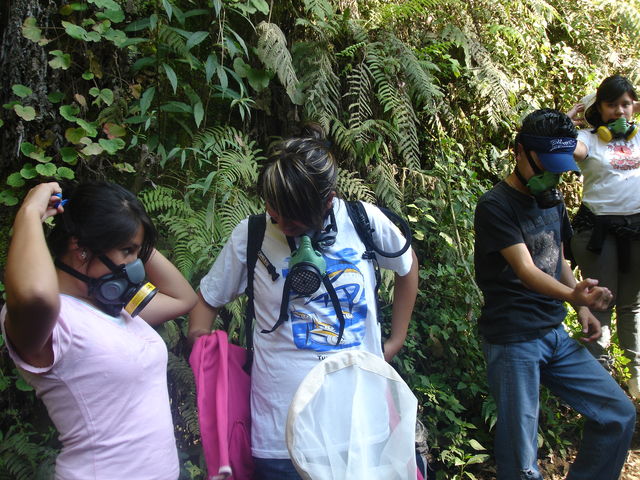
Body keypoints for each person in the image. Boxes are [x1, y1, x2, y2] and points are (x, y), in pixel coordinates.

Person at [188, 124, 419, 480]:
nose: (278, 221)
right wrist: (204, 352)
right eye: (273, 210)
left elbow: (407, 264)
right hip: (281, 434)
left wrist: (396, 339)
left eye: (292, 219)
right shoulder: (251, 234)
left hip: (360, 427)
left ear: (327, 201)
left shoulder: (362, 221)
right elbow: (207, 300)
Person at [474, 109, 635, 479]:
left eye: (559, 168)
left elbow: (558, 257)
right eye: (544, 166)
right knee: (521, 461)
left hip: (553, 332)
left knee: (617, 414)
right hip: (513, 339)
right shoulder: (494, 206)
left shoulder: (552, 198)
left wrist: (581, 309)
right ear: (519, 152)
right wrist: (575, 297)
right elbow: (527, 270)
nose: (552, 176)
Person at [1, 181, 198, 480]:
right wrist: (30, 211)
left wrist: (130, 229)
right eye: (127, 251)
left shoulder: (114, 306)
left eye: (137, 253)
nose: (135, 266)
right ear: (79, 247)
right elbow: (36, 295)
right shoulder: (52, 321)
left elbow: (184, 298)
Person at [567, 74, 640, 399]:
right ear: (600, 108)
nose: (620, 111)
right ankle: (601, 387)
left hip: (635, 231)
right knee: (600, 305)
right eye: (612, 105)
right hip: (597, 233)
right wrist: (573, 113)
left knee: (632, 307)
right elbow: (562, 143)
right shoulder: (588, 139)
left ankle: (636, 384)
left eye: (625, 104)